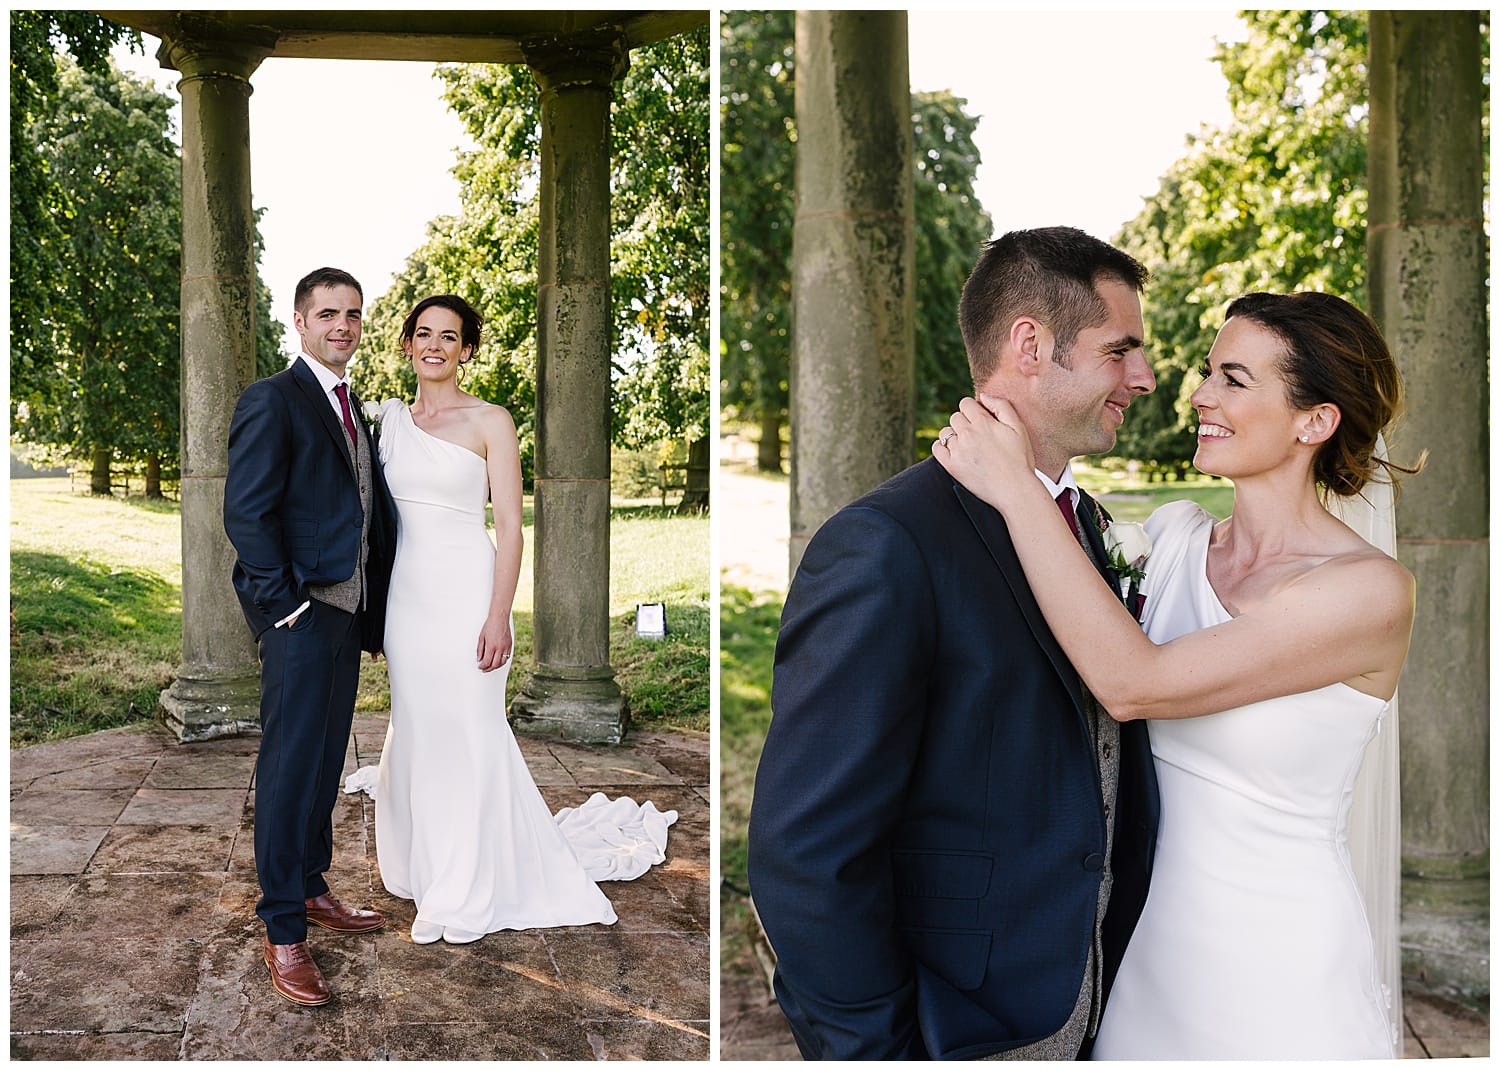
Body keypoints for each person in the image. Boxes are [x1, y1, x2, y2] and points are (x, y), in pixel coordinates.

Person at [933, 290, 1418, 1058]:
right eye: (1206, 372)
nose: (1199, 395)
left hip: (1277, 967)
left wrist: (1016, 487)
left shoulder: (1368, 592)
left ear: (1313, 421)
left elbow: (1134, 684)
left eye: (1233, 378)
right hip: (1144, 953)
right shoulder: (1170, 540)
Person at [748, 227, 1162, 1060]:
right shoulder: (886, 542)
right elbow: (806, 853)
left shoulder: (1091, 529)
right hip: (955, 1024)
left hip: (1096, 1009)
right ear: (1031, 344)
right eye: (1121, 350)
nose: (1145, 379)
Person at [365, 294, 673, 944]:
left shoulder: (491, 420)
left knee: (473, 729)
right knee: (418, 727)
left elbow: (510, 526)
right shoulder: (388, 422)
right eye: (423, 333)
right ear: (406, 343)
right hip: (407, 602)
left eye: (450, 336)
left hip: (470, 592)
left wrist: (499, 614)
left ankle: (468, 882)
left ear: (468, 349)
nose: (435, 346)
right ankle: (426, 865)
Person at [224, 267, 398, 1007]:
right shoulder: (274, 399)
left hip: (345, 613)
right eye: (328, 313)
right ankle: (283, 927)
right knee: (290, 768)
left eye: (353, 314)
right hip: (301, 617)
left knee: (328, 758)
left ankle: (313, 883)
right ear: (299, 321)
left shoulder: (352, 404)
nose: (343, 326)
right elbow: (247, 514)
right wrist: (284, 607)